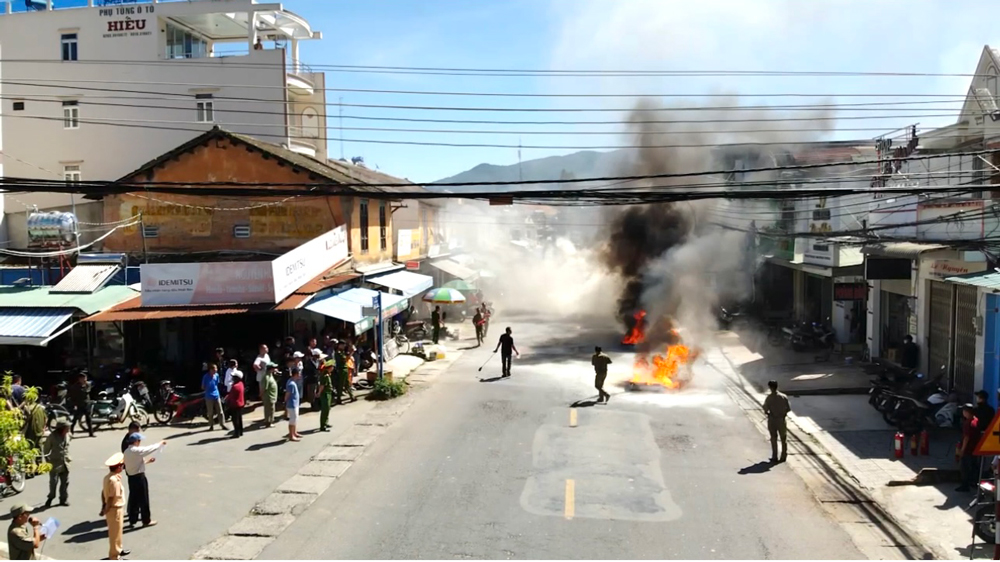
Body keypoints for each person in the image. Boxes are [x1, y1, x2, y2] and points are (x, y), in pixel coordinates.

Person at [124, 433, 165, 528]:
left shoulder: (126, 451)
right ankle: (146, 520)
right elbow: (149, 449)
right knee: (143, 499)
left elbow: (134, 464)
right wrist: (160, 444)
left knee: (134, 498)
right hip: (139, 477)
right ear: (136, 441)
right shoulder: (136, 450)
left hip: (131, 477)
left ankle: (132, 519)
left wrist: (147, 462)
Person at [100, 452, 129, 560]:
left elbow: (103, 493)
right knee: (115, 534)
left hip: (113, 508)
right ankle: (114, 556)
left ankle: (119, 549)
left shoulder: (108, 477)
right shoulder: (114, 481)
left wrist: (103, 506)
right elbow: (112, 497)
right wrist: (106, 509)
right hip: (114, 509)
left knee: (118, 531)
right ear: (118, 467)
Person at [43, 421, 71, 507]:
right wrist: (48, 461)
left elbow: (66, 446)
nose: (68, 429)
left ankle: (63, 499)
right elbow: (46, 449)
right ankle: (51, 497)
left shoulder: (67, 435)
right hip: (55, 463)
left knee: (65, 482)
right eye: (67, 428)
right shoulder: (52, 437)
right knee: (53, 482)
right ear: (61, 429)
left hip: (65, 462)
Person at [762, 380, 791, 463]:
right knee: (783, 439)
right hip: (781, 420)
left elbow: (765, 408)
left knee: (773, 438)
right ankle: (783, 456)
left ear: (770, 387)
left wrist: (768, 412)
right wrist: (783, 414)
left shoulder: (769, 398)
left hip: (772, 420)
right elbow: (788, 409)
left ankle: (774, 456)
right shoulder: (783, 396)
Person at [957, 404, 983, 492]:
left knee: (964, 467)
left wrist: (962, 450)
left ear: (966, 412)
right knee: (973, 466)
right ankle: (974, 483)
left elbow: (966, 437)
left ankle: (965, 485)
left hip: (968, 449)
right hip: (974, 448)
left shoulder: (968, 423)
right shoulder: (976, 420)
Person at [202, 364, 228, 431]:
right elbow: (203, 386)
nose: (215, 370)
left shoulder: (216, 375)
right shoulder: (206, 377)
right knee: (210, 412)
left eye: (216, 369)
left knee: (220, 411)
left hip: (216, 395)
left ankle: (222, 424)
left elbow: (217, 383)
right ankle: (211, 426)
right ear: (210, 370)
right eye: (214, 369)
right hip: (209, 396)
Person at [68, 371, 93, 437]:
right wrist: (74, 404)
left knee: (88, 419)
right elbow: (72, 396)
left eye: (84, 378)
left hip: (87, 403)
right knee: (75, 419)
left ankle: (91, 433)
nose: (83, 379)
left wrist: (84, 385)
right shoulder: (75, 386)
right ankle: (71, 432)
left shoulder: (88, 384)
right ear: (79, 379)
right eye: (82, 378)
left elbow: (87, 391)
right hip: (79, 404)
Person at [225, 370, 245, 439]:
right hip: (241, 403)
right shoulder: (241, 384)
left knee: (235, 419)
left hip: (235, 405)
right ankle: (241, 431)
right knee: (239, 418)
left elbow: (231, 396)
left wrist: (227, 402)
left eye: (234, 377)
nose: (232, 378)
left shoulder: (235, 386)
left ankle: (236, 433)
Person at [317, 359, 334, 432]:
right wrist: (319, 393)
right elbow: (322, 386)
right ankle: (322, 426)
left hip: (328, 393)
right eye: (332, 367)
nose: (333, 368)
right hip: (325, 394)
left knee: (328, 409)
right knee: (325, 409)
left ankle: (326, 422)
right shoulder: (325, 375)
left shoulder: (328, 374)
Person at [285, 368, 302, 442]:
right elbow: (287, 394)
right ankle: (291, 435)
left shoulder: (293, 382)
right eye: (299, 373)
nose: (300, 375)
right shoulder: (291, 384)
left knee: (295, 419)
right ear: (296, 374)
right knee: (292, 420)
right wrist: (285, 402)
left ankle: (294, 432)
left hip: (295, 404)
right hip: (292, 404)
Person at [262, 363, 279, 428]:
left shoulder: (271, 375)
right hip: (269, 396)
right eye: (274, 368)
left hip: (272, 396)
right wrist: (261, 395)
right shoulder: (266, 377)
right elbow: (264, 388)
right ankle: (268, 422)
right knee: (269, 410)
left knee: (271, 410)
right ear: (270, 369)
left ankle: (269, 421)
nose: (275, 369)